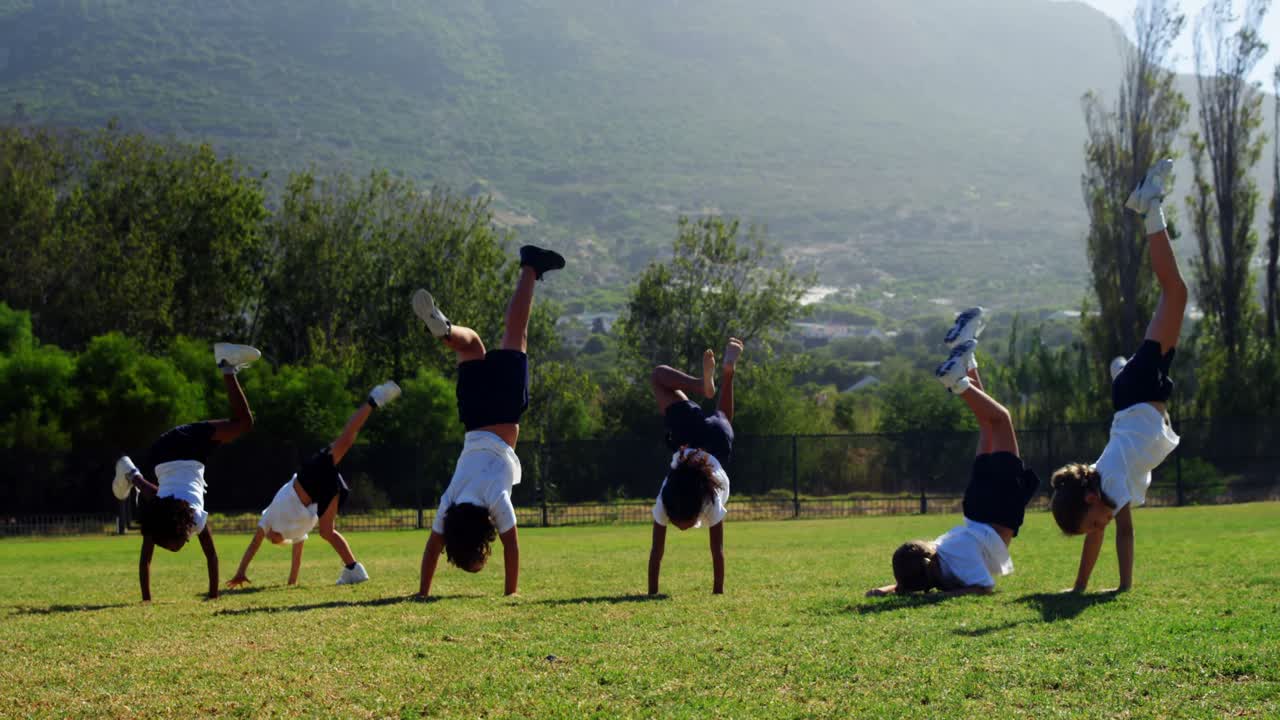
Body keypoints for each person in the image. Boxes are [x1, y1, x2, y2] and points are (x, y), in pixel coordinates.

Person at [1049, 159, 1184, 593]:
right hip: (1136, 394)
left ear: (1090, 500)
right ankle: (1118, 370)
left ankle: (1150, 207)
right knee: (1174, 297)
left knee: (1175, 293)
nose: (1098, 529)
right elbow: (1098, 538)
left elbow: (1121, 533)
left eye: (1092, 523)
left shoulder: (1110, 484)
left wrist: (1123, 588)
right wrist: (1079, 588)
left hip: (1141, 391)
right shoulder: (1102, 492)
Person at [415, 245, 565, 598]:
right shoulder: (449, 501)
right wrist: (422, 591)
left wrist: (510, 593)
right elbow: (432, 548)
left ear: (482, 539)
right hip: (473, 417)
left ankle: (530, 267)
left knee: (517, 332)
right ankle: (447, 330)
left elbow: (512, 548)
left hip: (503, 413)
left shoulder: (495, 500)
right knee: (472, 348)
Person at [866, 312, 1040, 597]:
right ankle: (964, 355)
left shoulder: (941, 570)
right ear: (929, 555)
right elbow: (973, 586)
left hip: (999, 516)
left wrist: (893, 591)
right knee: (989, 422)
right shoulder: (943, 555)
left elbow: (980, 586)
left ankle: (959, 380)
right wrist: (885, 591)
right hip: (975, 511)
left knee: (1001, 419)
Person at [111, 343, 259, 601]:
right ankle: (131, 473)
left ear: (178, 529)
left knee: (244, 423)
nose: (173, 548)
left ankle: (226, 365)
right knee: (153, 494)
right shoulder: (162, 516)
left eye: (170, 545)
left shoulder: (194, 519)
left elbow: (211, 557)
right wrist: (146, 600)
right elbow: (148, 561)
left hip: (184, 448)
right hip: (164, 453)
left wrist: (214, 597)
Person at [225, 382, 401, 589]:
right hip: (323, 491)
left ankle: (373, 400)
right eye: (273, 541)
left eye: (269, 538)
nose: (269, 539)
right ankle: (354, 569)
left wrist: (240, 572)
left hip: (307, 478)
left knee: (344, 442)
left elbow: (253, 545)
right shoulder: (295, 533)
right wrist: (291, 583)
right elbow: (297, 557)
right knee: (327, 532)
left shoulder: (268, 519)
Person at [647, 337, 744, 595]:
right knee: (657, 377)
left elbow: (717, 553)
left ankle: (721, 376)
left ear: (696, 509)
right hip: (691, 439)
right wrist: (651, 594)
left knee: (724, 418)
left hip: (713, 443)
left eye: (681, 523)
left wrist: (718, 593)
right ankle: (711, 381)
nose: (679, 527)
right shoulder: (665, 500)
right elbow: (657, 554)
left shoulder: (709, 502)